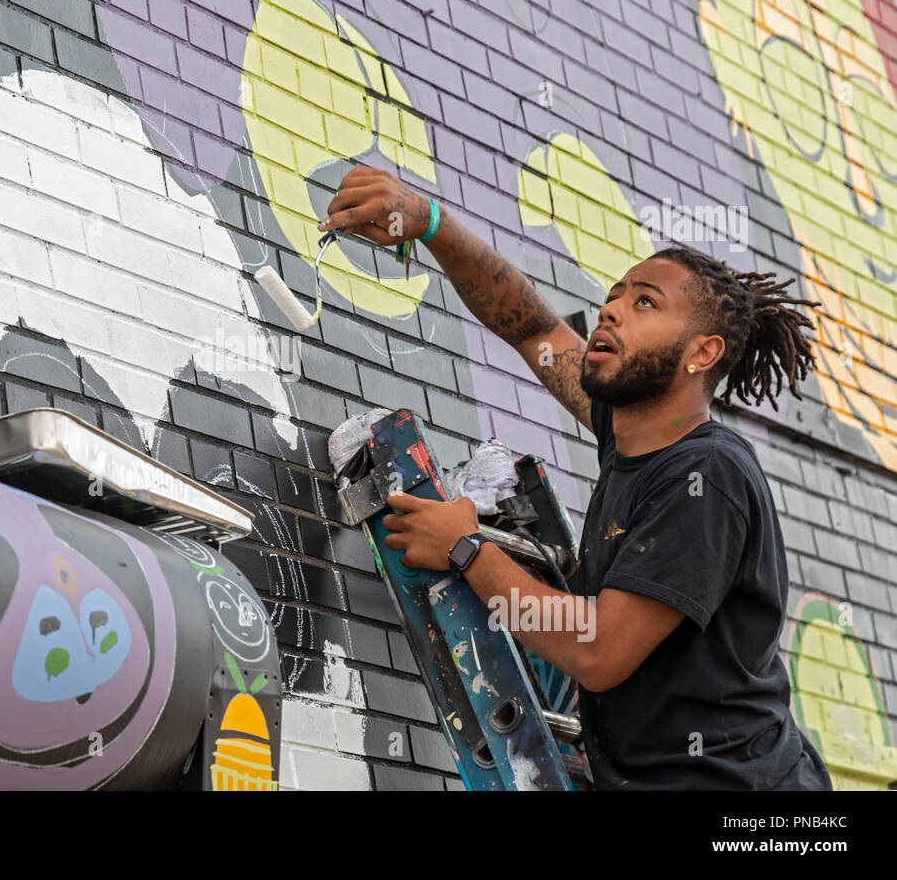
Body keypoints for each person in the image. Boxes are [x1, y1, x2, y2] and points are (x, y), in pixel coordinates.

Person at [320, 166, 833, 790]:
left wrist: (465, 549)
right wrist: (429, 223)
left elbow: (599, 652)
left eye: (646, 302)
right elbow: (531, 327)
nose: (613, 308)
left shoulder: (707, 474)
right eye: (617, 294)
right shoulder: (632, 432)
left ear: (702, 353)